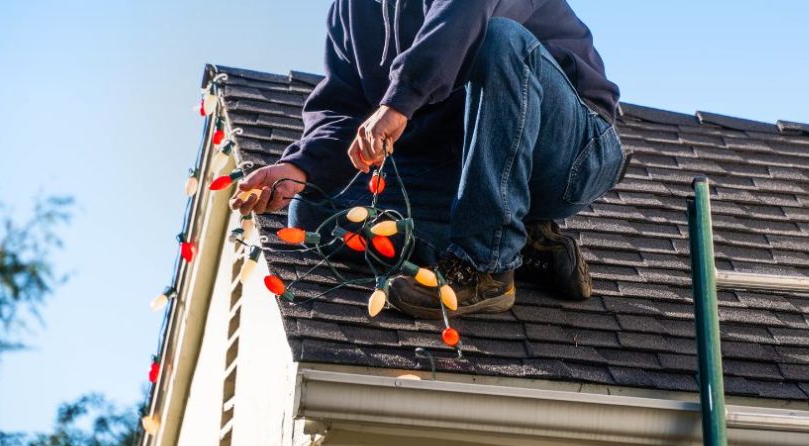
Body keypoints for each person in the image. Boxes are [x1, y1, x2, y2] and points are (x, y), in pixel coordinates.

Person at [231, 0, 624, 319]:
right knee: (312, 211)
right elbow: (344, 105)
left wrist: (400, 99)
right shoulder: (350, 9)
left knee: (501, 40)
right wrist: (300, 167)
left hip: (571, 150)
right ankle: (517, 242)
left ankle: (485, 265)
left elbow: (463, 15)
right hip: (466, 164)